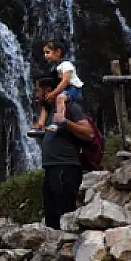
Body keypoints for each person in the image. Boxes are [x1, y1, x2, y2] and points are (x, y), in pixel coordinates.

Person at [36, 76, 94, 229]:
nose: (35, 95)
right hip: (51, 170)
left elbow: (89, 133)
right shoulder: (48, 112)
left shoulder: (70, 108)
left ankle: (71, 249)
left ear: (48, 91)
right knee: (52, 219)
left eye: (37, 91)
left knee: (66, 217)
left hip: (65, 169)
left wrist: (66, 122)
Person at [32, 39, 84, 134]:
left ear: (58, 52)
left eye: (47, 52)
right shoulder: (56, 68)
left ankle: (58, 122)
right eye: (44, 53)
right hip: (66, 90)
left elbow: (65, 82)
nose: (45, 56)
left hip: (74, 89)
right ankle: (41, 125)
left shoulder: (67, 64)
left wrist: (53, 93)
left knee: (59, 98)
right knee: (45, 103)